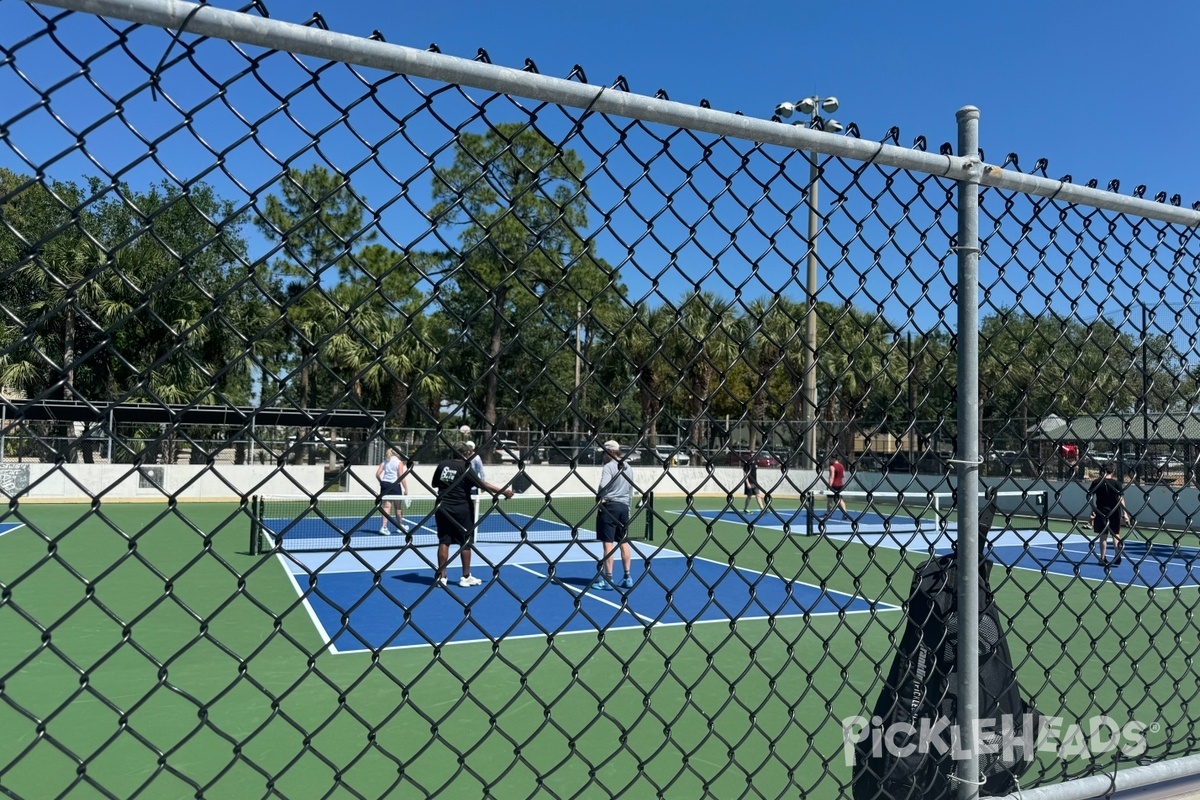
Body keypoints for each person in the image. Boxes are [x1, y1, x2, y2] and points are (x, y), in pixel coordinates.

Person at [432, 441, 513, 588]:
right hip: (462, 509)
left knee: (444, 541)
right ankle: (466, 577)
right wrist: (504, 491)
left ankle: (441, 577)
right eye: (470, 453)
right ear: (466, 454)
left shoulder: (442, 465)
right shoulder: (465, 467)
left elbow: (435, 484)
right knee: (465, 542)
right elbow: (483, 484)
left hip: (442, 507)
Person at [595, 439, 636, 591]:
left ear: (611, 452)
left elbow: (602, 485)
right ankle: (627, 576)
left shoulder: (609, 467)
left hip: (609, 507)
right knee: (623, 541)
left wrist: (601, 496)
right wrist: (628, 509)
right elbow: (631, 491)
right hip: (624, 508)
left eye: (605, 452)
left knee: (608, 543)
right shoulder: (628, 467)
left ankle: (608, 579)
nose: (603, 455)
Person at [1088, 461, 1129, 567]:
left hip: (1101, 511)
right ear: (1113, 471)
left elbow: (1090, 497)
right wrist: (1125, 513)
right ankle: (1117, 555)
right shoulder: (1117, 484)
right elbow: (1121, 499)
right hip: (1115, 512)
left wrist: (1092, 510)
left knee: (1103, 536)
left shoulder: (1096, 482)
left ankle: (1102, 557)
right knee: (1116, 534)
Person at [375, 448, 409, 535]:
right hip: (394, 485)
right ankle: (400, 526)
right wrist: (406, 489)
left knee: (386, 506)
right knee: (398, 507)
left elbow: (377, 474)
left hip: (385, 485)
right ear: (397, 453)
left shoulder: (385, 461)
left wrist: (382, 482)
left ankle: (384, 527)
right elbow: (401, 476)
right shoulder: (399, 462)